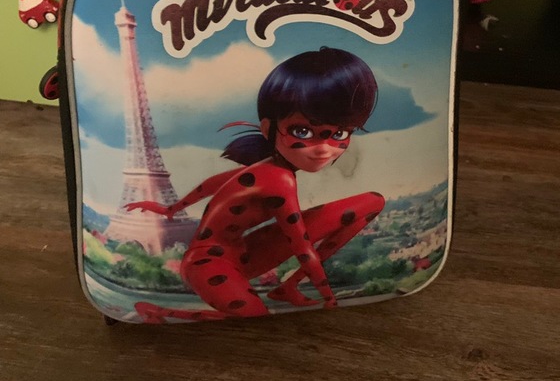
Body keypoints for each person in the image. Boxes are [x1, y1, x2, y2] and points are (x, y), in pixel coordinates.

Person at [128, 47, 385, 323]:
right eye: (302, 131)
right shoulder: (279, 180)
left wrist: (172, 209)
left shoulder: (266, 168)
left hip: (246, 252)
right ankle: (161, 311)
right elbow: (301, 247)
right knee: (254, 314)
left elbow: (215, 183)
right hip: (208, 263)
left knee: (372, 202)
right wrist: (328, 297)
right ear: (266, 128)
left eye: (339, 134)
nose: (323, 148)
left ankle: (288, 287)